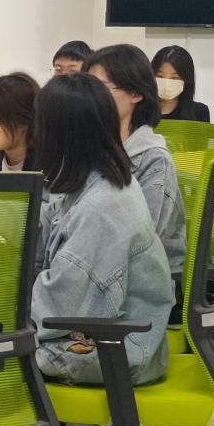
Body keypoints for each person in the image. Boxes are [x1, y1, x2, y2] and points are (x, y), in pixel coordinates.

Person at [32, 72, 174, 386]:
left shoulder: (100, 209)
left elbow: (60, 310)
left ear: (60, 134)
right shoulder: (96, 178)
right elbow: (43, 226)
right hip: (107, 335)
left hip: (116, 351)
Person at [84, 45, 186, 274]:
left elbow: (137, 245)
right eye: (87, 87)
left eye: (100, 88)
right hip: (92, 266)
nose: (89, 97)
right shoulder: (90, 146)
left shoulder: (154, 161)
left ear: (136, 94)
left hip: (140, 280)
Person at [151, 45, 211, 122]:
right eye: (160, 76)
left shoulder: (199, 112)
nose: (166, 83)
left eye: (174, 78)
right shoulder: (141, 111)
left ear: (186, 79)